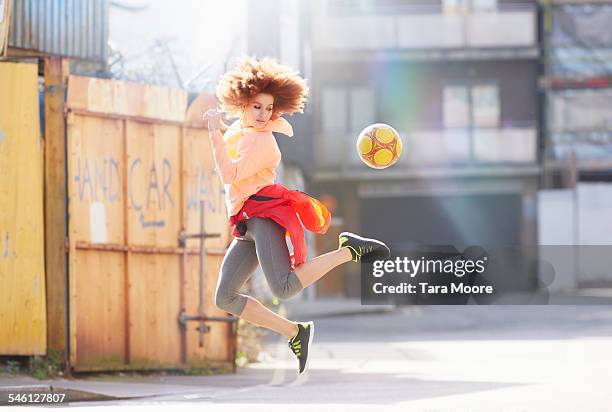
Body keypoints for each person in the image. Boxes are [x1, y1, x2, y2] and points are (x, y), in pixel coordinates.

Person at [202, 57, 390, 375]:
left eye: (268, 108)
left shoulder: (263, 141)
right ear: (243, 104)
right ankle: (295, 333)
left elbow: (230, 173)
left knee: (285, 287)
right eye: (256, 107)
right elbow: (235, 145)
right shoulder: (241, 130)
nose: (262, 114)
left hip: (264, 216)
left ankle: (349, 250)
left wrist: (212, 133)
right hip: (245, 221)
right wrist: (221, 129)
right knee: (225, 297)